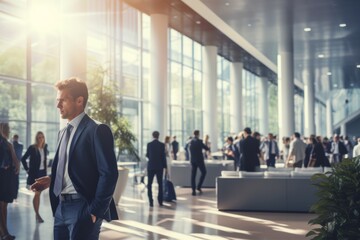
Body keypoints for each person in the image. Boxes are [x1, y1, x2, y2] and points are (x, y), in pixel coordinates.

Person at [30, 77, 118, 240]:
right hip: (61, 208)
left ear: (79, 101)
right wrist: (52, 180)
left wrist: (95, 211)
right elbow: (75, 167)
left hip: (83, 207)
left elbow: (109, 173)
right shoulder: (63, 132)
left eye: (63, 100)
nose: (58, 105)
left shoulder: (97, 130)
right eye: (58, 100)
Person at [21, 131, 49, 223]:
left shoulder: (45, 148)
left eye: (42, 137)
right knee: (37, 194)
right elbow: (23, 158)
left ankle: (37, 214)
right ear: (36, 139)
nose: (41, 139)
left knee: (38, 194)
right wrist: (27, 169)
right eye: (39, 137)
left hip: (42, 173)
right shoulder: (32, 148)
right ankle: (37, 215)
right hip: (35, 174)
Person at [0, 123, 20, 240]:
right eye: (5, 129)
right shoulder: (4, 143)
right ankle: (4, 233)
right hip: (2, 176)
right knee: (1, 205)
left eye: (8, 129)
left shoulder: (8, 144)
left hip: (7, 178)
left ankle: (4, 231)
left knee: (4, 206)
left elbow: (16, 161)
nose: (8, 131)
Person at [146, 131, 167, 207]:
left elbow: (147, 155)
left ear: (152, 136)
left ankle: (151, 201)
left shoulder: (149, 144)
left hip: (151, 166)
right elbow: (163, 157)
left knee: (149, 184)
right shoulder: (162, 145)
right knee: (160, 184)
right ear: (158, 136)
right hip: (159, 167)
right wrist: (165, 167)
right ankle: (160, 201)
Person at [189, 130, 209, 196]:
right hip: (199, 160)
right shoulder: (200, 141)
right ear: (198, 134)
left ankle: (193, 191)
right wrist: (206, 144)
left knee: (193, 175)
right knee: (204, 172)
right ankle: (199, 186)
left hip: (193, 160)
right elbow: (206, 148)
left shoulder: (190, 141)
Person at [11, 134, 23, 202]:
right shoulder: (20, 145)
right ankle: (15, 195)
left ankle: (13, 195)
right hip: (17, 164)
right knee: (16, 181)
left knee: (13, 181)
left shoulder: (11, 145)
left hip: (12, 165)